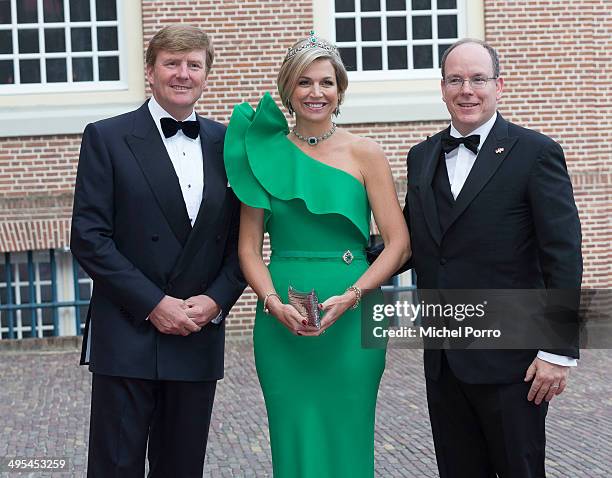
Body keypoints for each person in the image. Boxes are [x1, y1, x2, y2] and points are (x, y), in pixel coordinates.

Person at [223, 33, 410, 477]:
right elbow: (248, 249)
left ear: (340, 90)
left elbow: (399, 243)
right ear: (288, 89)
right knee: (293, 430)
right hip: (282, 313)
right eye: (304, 82)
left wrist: (353, 296)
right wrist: (271, 303)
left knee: (349, 427)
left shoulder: (365, 153)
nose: (316, 92)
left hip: (355, 310)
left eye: (326, 82)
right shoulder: (261, 152)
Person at [401, 39, 582, 477]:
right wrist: (335, 257)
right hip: (444, 359)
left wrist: (558, 352)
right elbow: (410, 242)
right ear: (441, 88)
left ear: (498, 86)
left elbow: (563, 254)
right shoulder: (421, 156)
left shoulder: (536, 153)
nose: (467, 89)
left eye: (478, 79)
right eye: (456, 79)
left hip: (513, 363)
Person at [70, 25, 245, 477]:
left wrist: (217, 299)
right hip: (128, 333)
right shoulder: (106, 138)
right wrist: (153, 304)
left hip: (196, 331)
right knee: (115, 467)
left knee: (182, 469)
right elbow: (90, 237)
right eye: (171, 63)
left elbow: (242, 240)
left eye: (193, 65)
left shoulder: (231, 145)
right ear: (150, 71)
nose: (182, 74)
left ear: (207, 75)